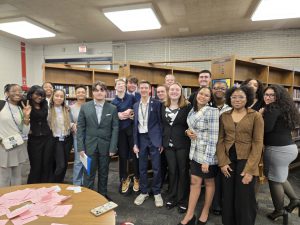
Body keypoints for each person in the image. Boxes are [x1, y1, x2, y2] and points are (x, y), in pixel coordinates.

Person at [217, 86, 264, 225]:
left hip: (247, 160)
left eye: (241, 97)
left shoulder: (255, 116)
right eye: (234, 97)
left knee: (244, 197)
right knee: (228, 195)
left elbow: (258, 143)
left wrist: (250, 170)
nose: (237, 99)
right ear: (229, 99)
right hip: (228, 160)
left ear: (248, 98)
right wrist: (222, 162)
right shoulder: (224, 116)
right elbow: (220, 140)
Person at [179, 87, 219, 225]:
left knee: (209, 183)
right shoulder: (192, 109)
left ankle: (205, 212)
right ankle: (189, 215)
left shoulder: (213, 111)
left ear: (210, 98)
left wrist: (207, 161)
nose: (203, 96)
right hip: (195, 153)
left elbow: (214, 138)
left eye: (206, 95)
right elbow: (191, 128)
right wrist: (186, 132)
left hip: (209, 154)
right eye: (201, 93)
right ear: (197, 95)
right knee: (194, 182)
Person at [261, 84, 300, 221]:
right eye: (266, 94)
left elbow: (265, 129)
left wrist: (260, 115)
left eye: (272, 95)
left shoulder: (272, 108)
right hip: (290, 149)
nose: (268, 97)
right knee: (281, 177)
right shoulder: (285, 108)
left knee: (274, 180)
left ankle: (279, 210)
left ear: (278, 97)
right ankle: (295, 200)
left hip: (277, 151)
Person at [77, 81, 118, 197]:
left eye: (102, 90)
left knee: (104, 173)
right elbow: (80, 128)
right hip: (89, 147)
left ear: (106, 92)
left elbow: (115, 129)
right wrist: (80, 147)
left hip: (106, 147)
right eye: (96, 90)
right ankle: (88, 197)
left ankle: (102, 195)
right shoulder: (85, 107)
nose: (99, 92)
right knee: (88, 173)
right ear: (92, 92)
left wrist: (113, 147)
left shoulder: (113, 108)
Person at [133, 80, 163, 207]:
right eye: (142, 88)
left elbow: (161, 124)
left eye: (146, 88)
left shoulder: (157, 104)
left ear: (150, 90)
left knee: (156, 167)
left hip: (154, 139)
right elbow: (135, 126)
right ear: (139, 89)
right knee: (142, 167)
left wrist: (161, 142)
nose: (144, 90)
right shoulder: (135, 105)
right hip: (141, 138)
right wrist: (135, 143)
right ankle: (144, 191)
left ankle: (156, 192)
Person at [162, 82, 191, 214]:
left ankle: (183, 200)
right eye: (172, 90)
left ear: (181, 92)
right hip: (168, 144)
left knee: (183, 171)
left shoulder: (187, 106)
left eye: (177, 90)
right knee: (172, 171)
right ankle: (172, 197)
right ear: (168, 92)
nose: (174, 92)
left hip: (183, 144)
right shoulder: (163, 105)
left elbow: (191, 124)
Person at [111, 79, 139, 194]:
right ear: (115, 87)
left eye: (123, 84)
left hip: (132, 131)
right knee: (122, 156)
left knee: (135, 154)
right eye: (119, 84)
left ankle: (137, 177)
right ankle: (124, 179)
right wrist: (117, 115)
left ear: (125, 87)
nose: (121, 86)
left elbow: (138, 110)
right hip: (121, 133)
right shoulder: (113, 102)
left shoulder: (132, 98)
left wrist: (131, 111)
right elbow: (111, 119)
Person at [0, 84, 31, 187]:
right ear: (7, 93)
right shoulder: (1, 105)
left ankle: (16, 199)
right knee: (3, 178)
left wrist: (26, 117)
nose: (18, 93)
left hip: (18, 146)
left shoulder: (20, 109)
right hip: (3, 147)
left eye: (20, 91)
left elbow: (25, 132)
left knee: (18, 177)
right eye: (14, 90)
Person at [211, 81, 231, 216]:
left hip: (225, 146)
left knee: (225, 177)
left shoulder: (231, 108)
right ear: (212, 90)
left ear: (227, 90)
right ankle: (215, 204)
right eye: (216, 88)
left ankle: (225, 203)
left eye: (222, 88)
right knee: (213, 178)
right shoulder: (206, 105)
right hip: (210, 147)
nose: (219, 90)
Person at [27, 85, 53, 184]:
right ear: (31, 94)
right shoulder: (26, 103)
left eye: (42, 95)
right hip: (34, 138)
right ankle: (33, 187)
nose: (40, 97)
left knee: (46, 163)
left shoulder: (44, 103)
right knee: (36, 165)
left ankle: (45, 186)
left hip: (47, 137)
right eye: (37, 94)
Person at [48, 89, 73, 183]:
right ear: (53, 97)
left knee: (65, 164)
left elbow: (68, 123)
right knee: (60, 164)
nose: (59, 98)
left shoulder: (66, 109)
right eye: (57, 96)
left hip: (67, 139)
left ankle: (60, 183)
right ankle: (54, 184)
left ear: (64, 98)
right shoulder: (48, 109)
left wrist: (72, 125)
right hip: (56, 139)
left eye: (61, 96)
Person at [70, 85, 87, 186]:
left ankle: (85, 183)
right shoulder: (71, 108)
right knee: (78, 160)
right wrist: (73, 125)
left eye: (83, 92)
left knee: (86, 160)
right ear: (75, 94)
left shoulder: (90, 105)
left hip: (89, 137)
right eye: (78, 92)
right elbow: (69, 122)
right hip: (77, 136)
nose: (81, 94)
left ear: (86, 93)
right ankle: (76, 184)